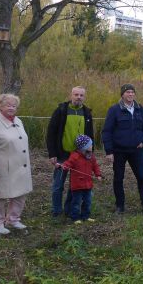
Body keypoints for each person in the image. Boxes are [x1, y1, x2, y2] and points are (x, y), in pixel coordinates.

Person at [0, 94, 33, 235]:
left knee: (20, 194)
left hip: (20, 167)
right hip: (3, 168)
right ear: (0, 106)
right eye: (7, 105)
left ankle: (13, 219)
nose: (11, 107)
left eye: (14, 105)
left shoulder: (19, 121)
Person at [102, 84, 143, 213]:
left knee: (142, 177)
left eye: (132, 92)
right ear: (122, 94)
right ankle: (120, 206)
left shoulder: (139, 109)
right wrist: (109, 151)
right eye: (127, 92)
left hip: (136, 150)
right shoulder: (114, 110)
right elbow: (107, 131)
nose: (130, 94)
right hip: (119, 150)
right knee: (118, 178)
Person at [46, 86, 94, 218]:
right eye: (76, 94)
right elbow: (51, 133)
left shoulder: (87, 112)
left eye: (81, 95)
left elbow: (90, 135)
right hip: (63, 154)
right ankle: (56, 210)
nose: (79, 97)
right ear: (71, 95)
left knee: (76, 185)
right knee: (58, 185)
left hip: (80, 156)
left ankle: (69, 209)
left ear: (84, 97)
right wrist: (52, 153)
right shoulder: (61, 110)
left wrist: (90, 153)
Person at [59, 135, 102, 223]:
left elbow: (95, 166)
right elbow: (68, 163)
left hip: (88, 184)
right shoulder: (75, 156)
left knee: (87, 202)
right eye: (90, 145)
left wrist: (98, 174)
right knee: (76, 203)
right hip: (77, 185)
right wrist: (63, 166)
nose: (91, 146)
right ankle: (75, 217)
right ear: (84, 147)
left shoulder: (91, 156)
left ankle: (85, 216)